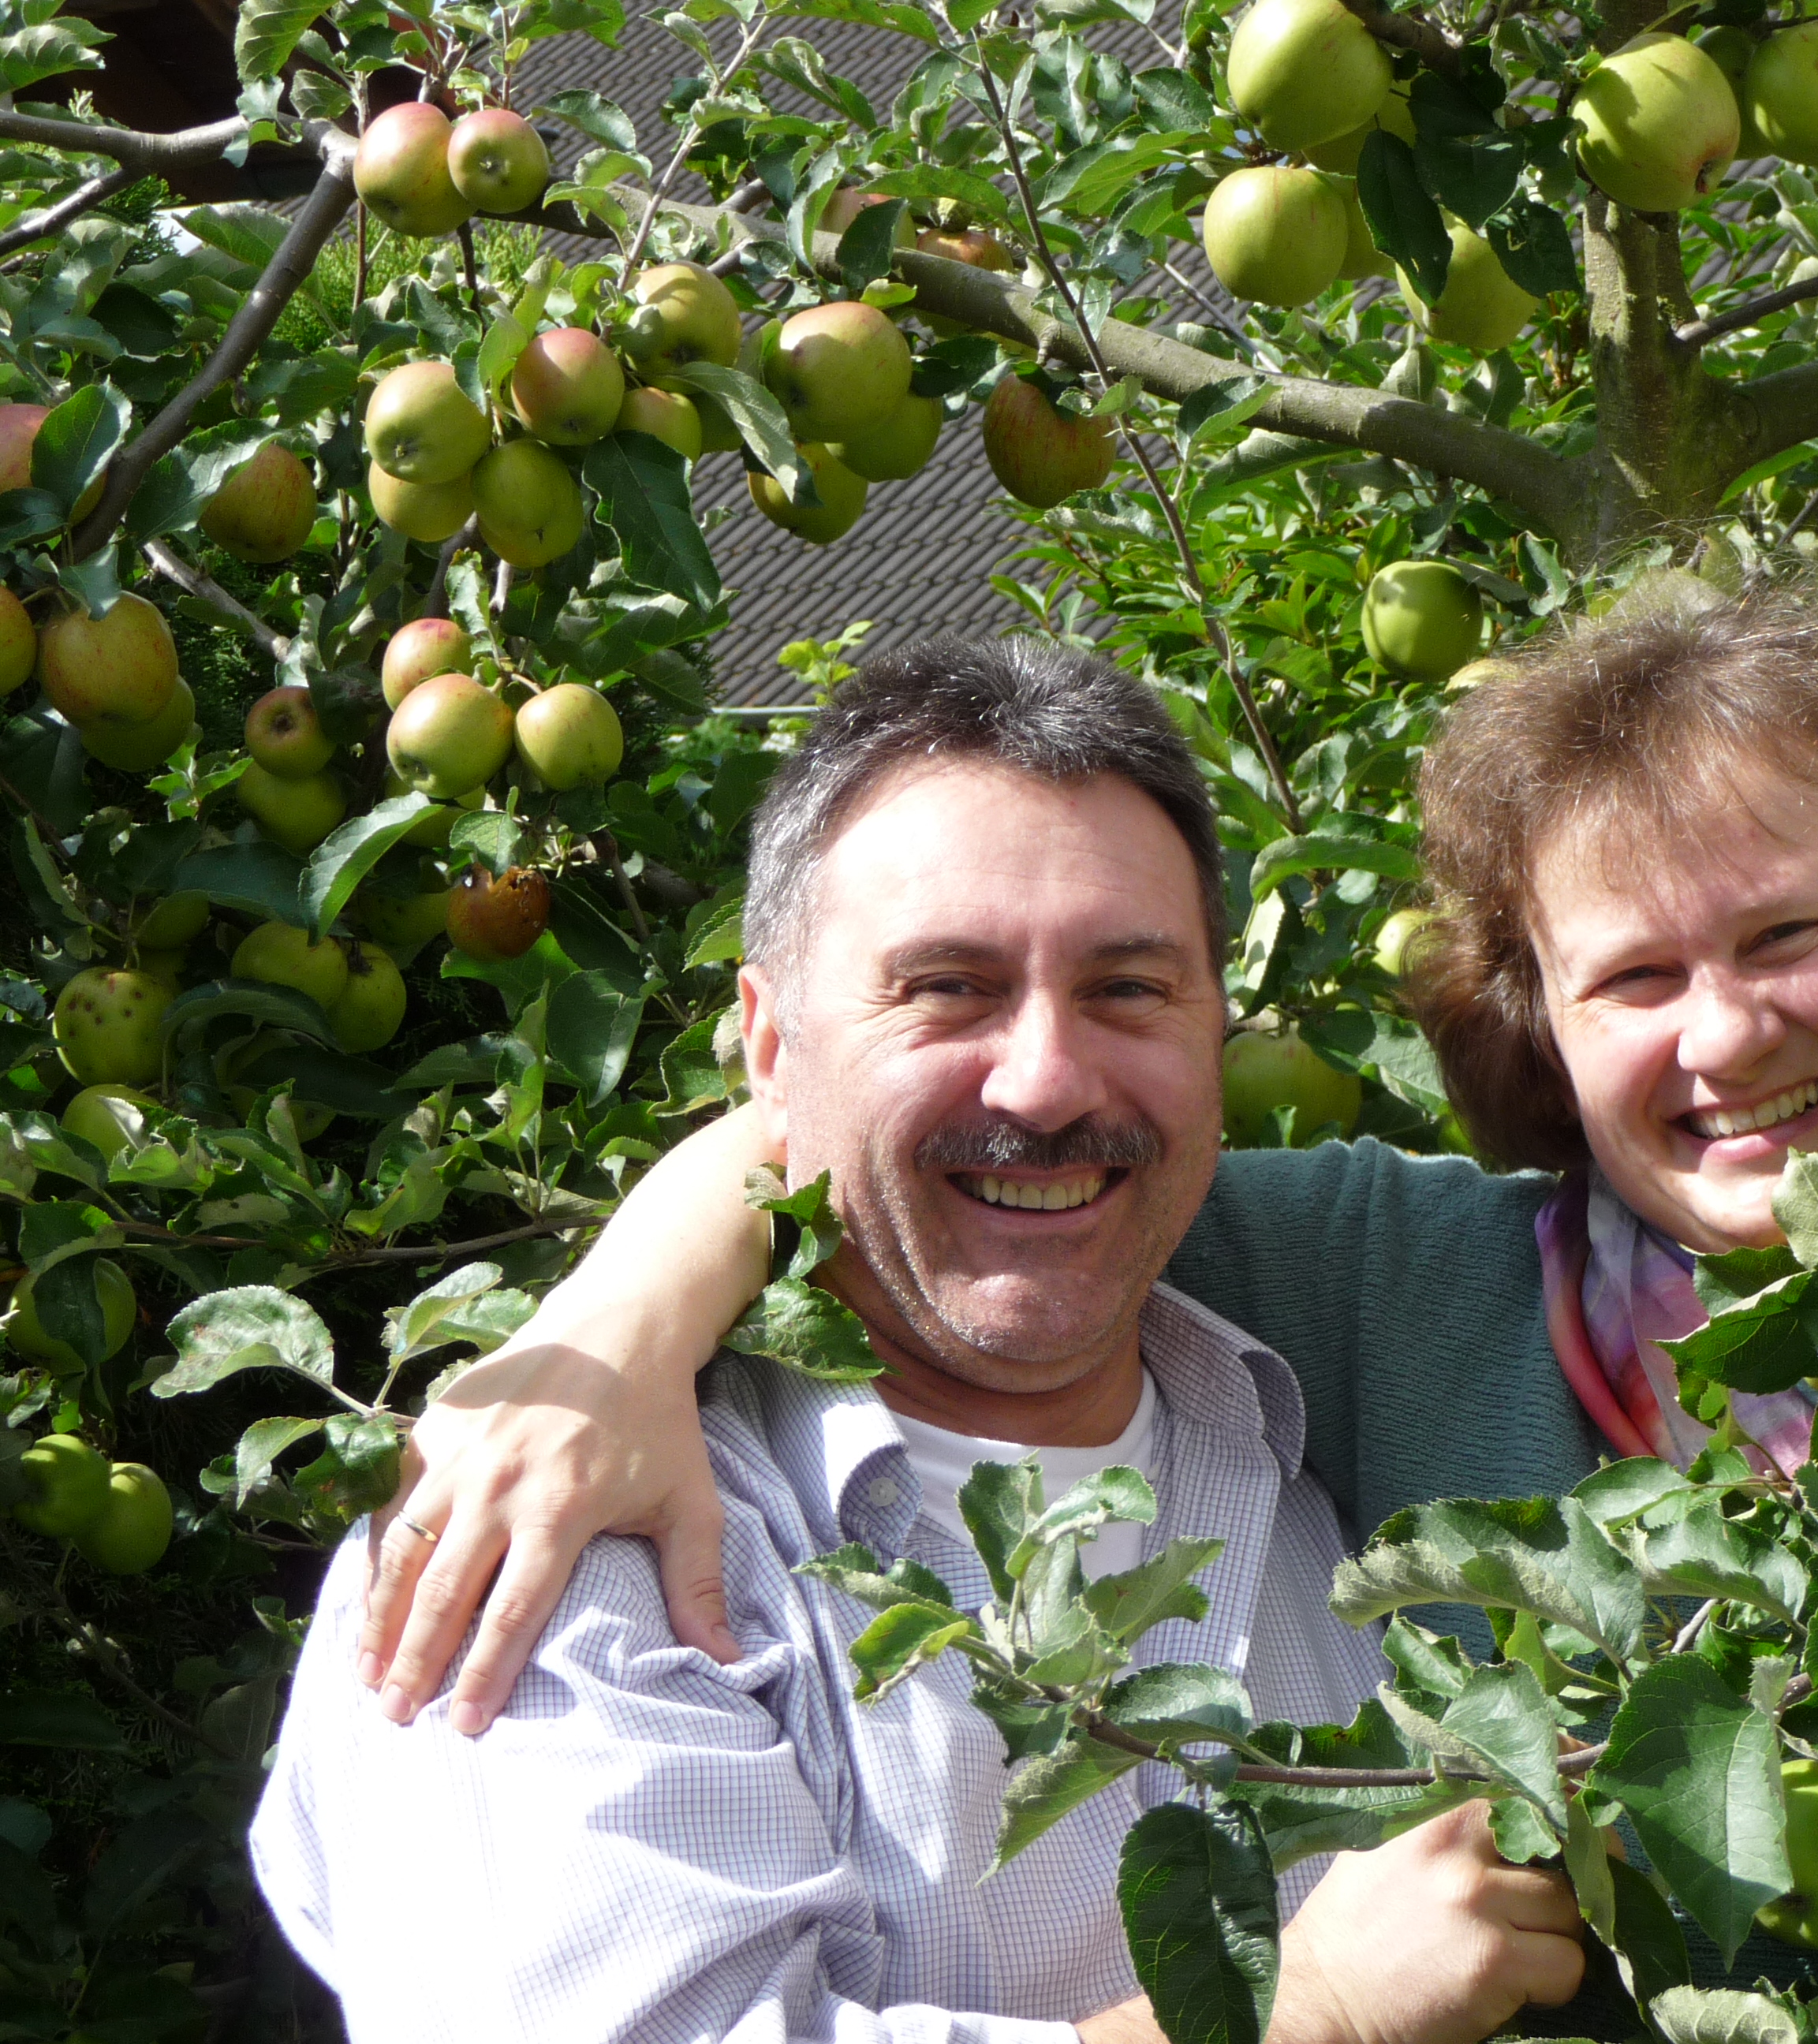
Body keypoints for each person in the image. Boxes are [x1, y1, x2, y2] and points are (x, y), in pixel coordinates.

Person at [353, 587, 1818, 2027]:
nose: (1730, 1031)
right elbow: (943, 1163)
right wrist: (607, 1329)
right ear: (1542, 1036)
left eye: (1798, 940)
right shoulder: (1406, 1276)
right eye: (1631, 979)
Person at [251, 639, 1589, 2042]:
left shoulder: (1316, 1398)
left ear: (1218, 1030)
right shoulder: (550, 1546)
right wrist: (1304, 2011)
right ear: (767, 1050)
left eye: (1130, 989)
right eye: (946, 986)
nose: (1049, 1080)